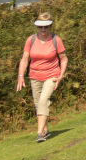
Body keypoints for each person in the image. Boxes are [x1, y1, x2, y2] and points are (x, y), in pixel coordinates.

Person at [16, 12, 68, 143]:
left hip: (52, 75)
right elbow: (24, 59)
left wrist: (61, 76)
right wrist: (20, 76)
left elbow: (64, 59)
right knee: (38, 104)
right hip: (34, 76)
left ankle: (39, 133)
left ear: (50, 26)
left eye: (46, 27)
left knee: (44, 100)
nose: (43, 29)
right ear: (37, 27)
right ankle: (45, 130)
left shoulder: (56, 40)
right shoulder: (31, 40)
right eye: (40, 27)